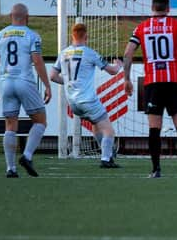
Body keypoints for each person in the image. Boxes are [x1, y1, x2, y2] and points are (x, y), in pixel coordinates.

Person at [123, 0, 177, 178]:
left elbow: (127, 53)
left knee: (154, 128)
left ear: (152, 8)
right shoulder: (175, 25)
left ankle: (156, 169)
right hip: (174, 82)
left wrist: (126, 79)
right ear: (168, 9)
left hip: (153, 84)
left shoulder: (141, 27)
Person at [0, 3, 52, 178]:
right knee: (40, 121)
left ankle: (11, 169)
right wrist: (47, 85)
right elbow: (37, 61)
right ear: (27, 17)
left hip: (6, 82)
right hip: (25, 82)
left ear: (11, 16)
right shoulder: (32, 35)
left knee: (10, 125)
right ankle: (27, 156)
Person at [50, 23, 123, 168]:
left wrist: (70, 83)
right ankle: (106, 159)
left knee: (96, 125)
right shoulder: (89, 53)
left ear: (72, 36)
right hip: (87, 100)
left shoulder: (63, 53)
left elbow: (52, 76)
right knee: (109, 130)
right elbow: (112, 71)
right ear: (86, 37)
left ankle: (106, 153)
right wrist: (119, 64)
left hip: (73, 103)